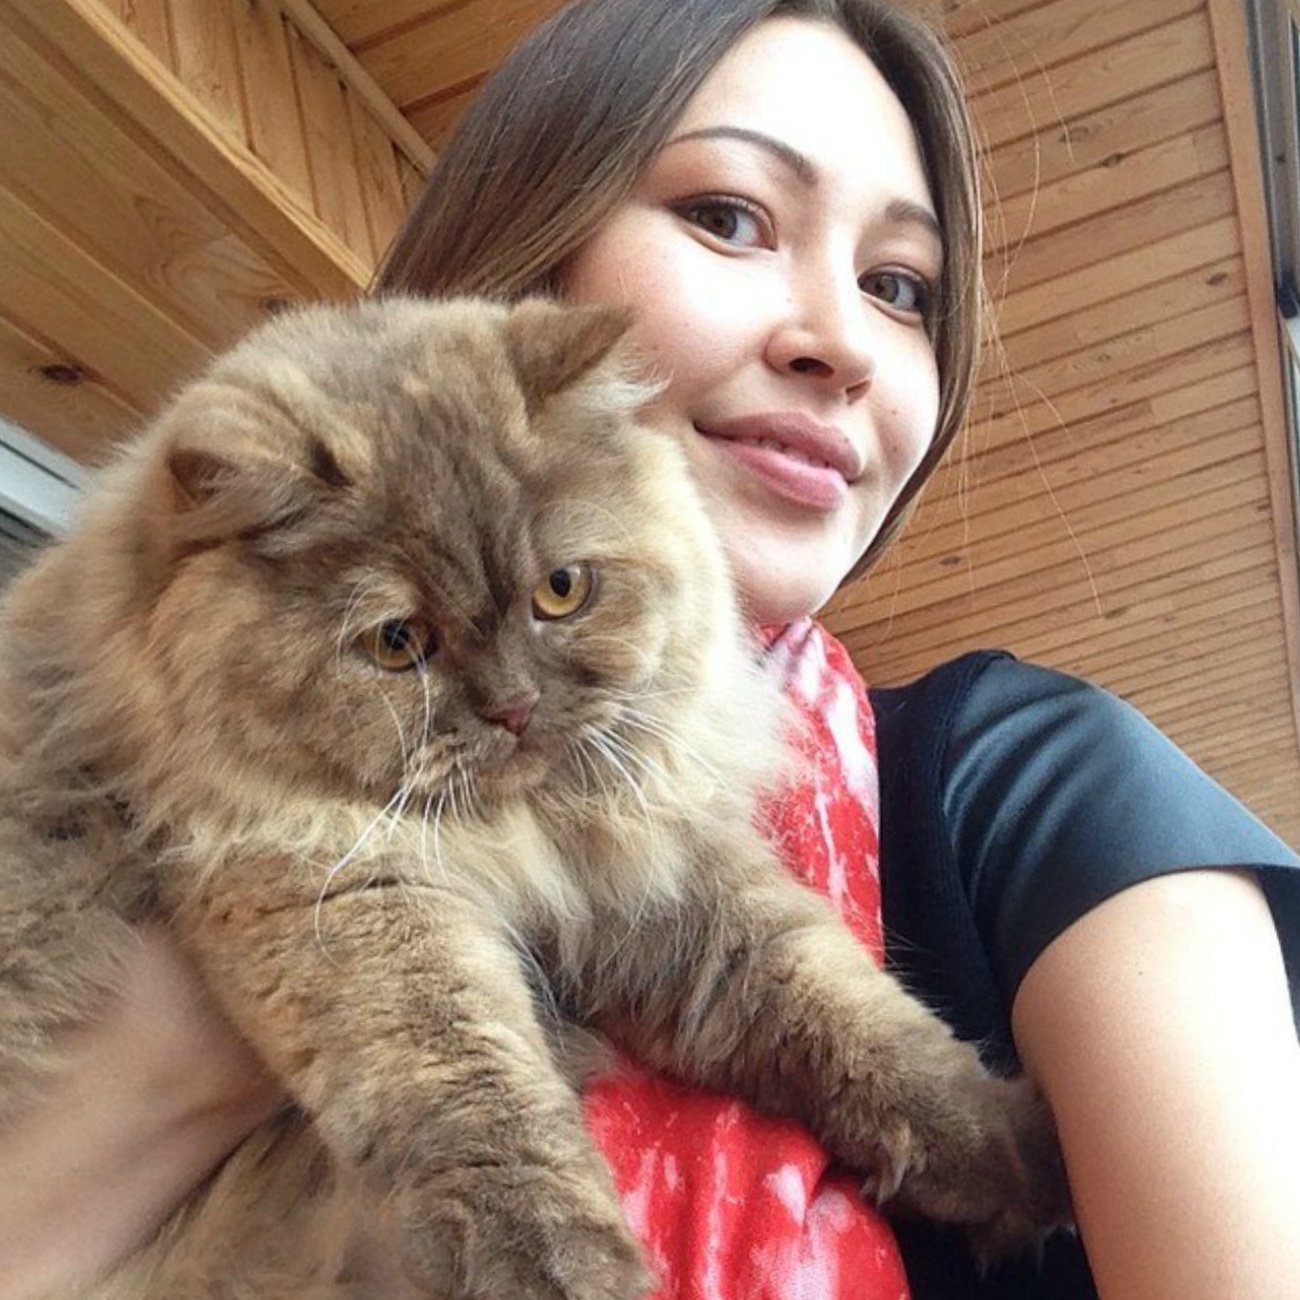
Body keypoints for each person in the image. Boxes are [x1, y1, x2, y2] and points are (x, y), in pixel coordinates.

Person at [2, 1, 1298, 1297]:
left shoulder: (1039, 790)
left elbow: (694, 930)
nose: (839, 341)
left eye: (900, 286)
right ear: (537, 242)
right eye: (730, 216)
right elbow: (334, 910)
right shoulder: (216, 632)